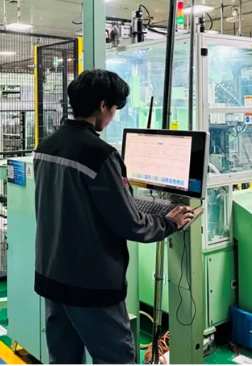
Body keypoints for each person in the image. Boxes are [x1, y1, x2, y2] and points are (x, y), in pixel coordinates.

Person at [34, 69, 195, 365]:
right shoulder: (100, 155)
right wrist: (169, 221)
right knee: (115, 359)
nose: (113, 116)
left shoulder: (46, 145)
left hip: (52, 275)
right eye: (115, 108)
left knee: (63, 358)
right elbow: (130, 224)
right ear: (103, 105)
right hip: (91, 284)